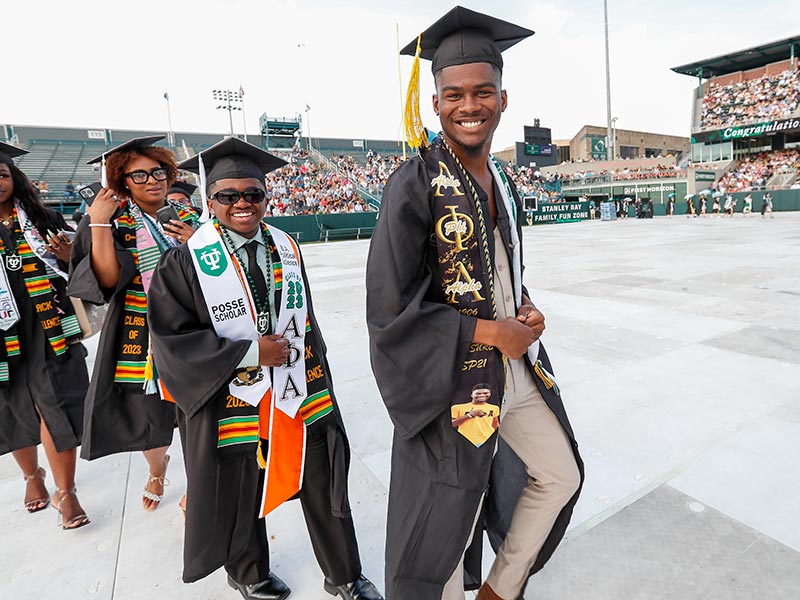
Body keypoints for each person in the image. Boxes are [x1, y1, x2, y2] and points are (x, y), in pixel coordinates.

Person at [366, 8, 583, 600]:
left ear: (503, 99)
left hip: (515, 372)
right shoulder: (412, 184)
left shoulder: (505, 180)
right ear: (434, 103)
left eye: (482, 92)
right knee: (443, 516)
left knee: (561, 474)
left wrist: (527, 308)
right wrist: (493, 333)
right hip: (456, 380)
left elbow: (502, 269)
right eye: (454, 94)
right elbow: (390, 310)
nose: (469, 105)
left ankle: (499, 588)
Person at [147, 137, 383, 600]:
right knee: (240, 490)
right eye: (228, 196)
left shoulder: (286, 246)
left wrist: (321, 382)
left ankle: (345, 575)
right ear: (209, 200)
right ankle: (249, 573)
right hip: (232, 399)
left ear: (266, 196)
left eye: (253, 194)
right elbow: (171, 342)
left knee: (324, 480)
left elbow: (306, 323)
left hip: (299, 390)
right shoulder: (187, 260)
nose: (242, 204)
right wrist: (251, 354)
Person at [68, 136, 199, 512]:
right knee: (150, 416)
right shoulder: (113, 220)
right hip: (138, 332)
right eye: (138, 175)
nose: (151, 180)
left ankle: (197, 484)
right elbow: (106, 280)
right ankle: (158, 469)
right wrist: (98, 222)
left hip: (191, 329)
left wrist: (198, 243)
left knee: (196, 412)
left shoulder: (187, 219)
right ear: (122, 181)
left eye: (157, 171)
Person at [0, 141, 90, 529]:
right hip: (2, 334)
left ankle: (65, 492)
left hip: (47, 326)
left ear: (13, 178)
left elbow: (81, 267)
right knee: (12, 406)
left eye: (2, 175)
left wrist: (70, 254)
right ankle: (32, 476)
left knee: (57, 405)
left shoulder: (43, 219)